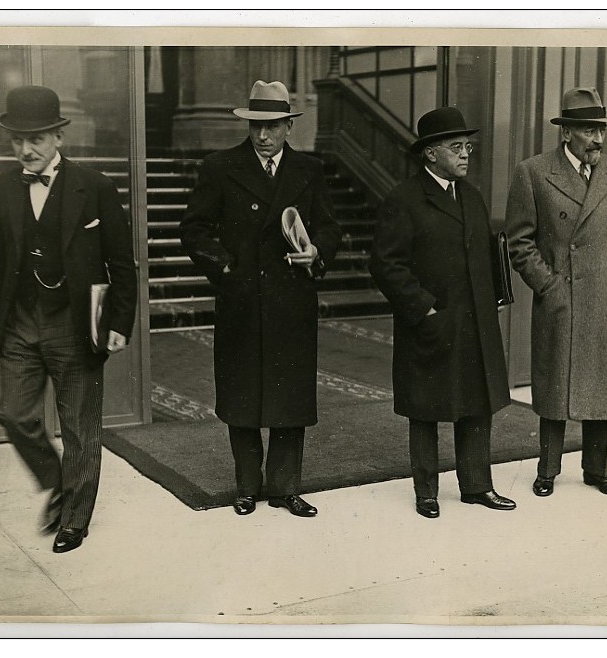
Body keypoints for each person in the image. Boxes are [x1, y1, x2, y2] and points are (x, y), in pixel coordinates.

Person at [0, 85, 137, 552]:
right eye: (17, 141)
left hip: (76, 324)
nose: (26, 150)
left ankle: (74, 519)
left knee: (80, 429)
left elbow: (121, 264)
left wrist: (118, 324)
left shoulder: (97, 186)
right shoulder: (3, 186)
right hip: (21, 321)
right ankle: (57, 482)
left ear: (58, 137)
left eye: (37, 140)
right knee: (12, 413)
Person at [180, 80, 341, 517]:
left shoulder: (310, 170)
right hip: (242, 302)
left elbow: (329, 227)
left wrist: (317, 251)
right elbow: (193, 230)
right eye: (256, 126)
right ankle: (246, 487)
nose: (263, 136)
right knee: (243, 396)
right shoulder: (220, 167)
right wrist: (225, 267)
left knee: (290, 397)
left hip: (292, 302)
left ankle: (286, 487)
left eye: (271, 126)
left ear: (289, 126)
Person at [369, 107, 516, 519]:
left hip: (474, 322)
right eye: (456, 147)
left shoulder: (471, 195)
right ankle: (427, 493)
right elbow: (385, 264)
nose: (466, 154)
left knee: (477, 404)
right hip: (431, 323)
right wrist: (424, 308)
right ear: (430, 154)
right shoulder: (404, 198)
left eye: (467, 146)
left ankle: (477, 487)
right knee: (426, 409)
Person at [505, 87, 607, 499]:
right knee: (556, 385)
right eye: (589, 131)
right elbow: (520, 242)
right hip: (561, 297)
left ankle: (597, 470)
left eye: (601, 130)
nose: (598, 140)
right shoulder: (533, 172)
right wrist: (550, 286)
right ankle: (548, 469)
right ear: (566, 132)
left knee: (603, 386)